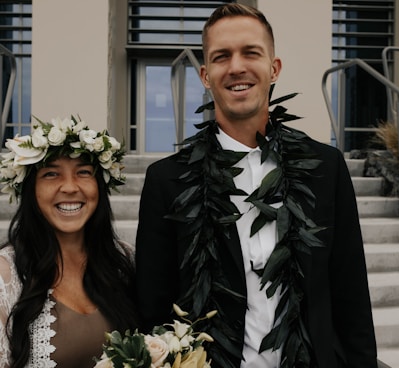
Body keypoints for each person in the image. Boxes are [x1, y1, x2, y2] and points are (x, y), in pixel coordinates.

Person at [135, 3, 378, 368]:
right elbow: (154, 310)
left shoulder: (326, 169)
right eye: (221, 56)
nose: (236, 67)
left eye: (251, 53)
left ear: (273, 67)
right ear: (205, 74)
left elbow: (351, 296)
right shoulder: (166, 181)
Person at [0, 117, 138, 367]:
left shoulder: (125, 260)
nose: (70, 187)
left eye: (84, 172)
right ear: (31, 190)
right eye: (51, 174)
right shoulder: (5, 277)